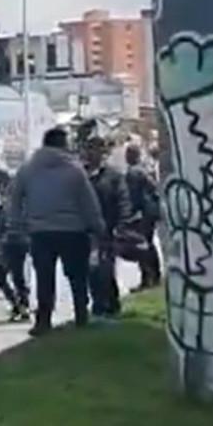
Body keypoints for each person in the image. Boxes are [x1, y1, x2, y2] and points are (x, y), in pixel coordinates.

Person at [8, 127, 106, 337]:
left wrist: (16, 226)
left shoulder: (27, 170)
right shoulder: (74, 170)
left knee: (44, 278)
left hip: (40, 232)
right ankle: (81, 314)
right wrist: (98, 227)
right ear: (63, 145)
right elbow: (88, 202)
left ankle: (43, 320)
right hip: (73, 230)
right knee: (77, 276)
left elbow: (14, 200)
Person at [83, 136, 133, 320]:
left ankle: (109, 303)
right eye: (89, 149)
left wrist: (122, 224)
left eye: (96, 149)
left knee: (105, 268)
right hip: (86, 230)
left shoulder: (113, 176)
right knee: (91, 269)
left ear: (102, 152)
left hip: (107, 229)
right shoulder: (81, 175)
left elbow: (123, 199)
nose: (92, 153)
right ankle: (98, 303)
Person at [0, 169, 30, 323]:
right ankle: (20, 305)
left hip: (13, 243)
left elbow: (10, 225)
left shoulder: (12, 202)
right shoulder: (8, 202)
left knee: (8, 276)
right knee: (12, 277)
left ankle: (20, 305)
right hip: (9, 243)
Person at [125, 144, 162, 290]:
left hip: (142, 213)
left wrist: (130, 213)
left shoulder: (133, 173)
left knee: (141, 245)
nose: (126, 157)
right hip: (151, 211)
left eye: (128, 154)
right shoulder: (144, 169)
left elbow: (134, 195)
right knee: (149, 244)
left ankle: (147, 278)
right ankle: (155, 275)